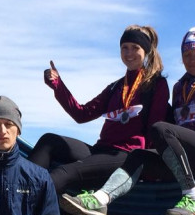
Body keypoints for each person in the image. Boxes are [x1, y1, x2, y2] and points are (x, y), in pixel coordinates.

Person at [60, 26, 195, 215]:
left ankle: (193, 199)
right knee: (138, 155)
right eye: (187, 55)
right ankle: (100, 200)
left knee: (159, 129)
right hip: (185, 158)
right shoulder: (180, 87)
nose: (192, 59)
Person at [27, 25, 169, 198]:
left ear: (145, 51)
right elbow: (81, 114)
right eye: (124, 47)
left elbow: (156, 128)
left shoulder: (156, 84)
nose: (129, 53)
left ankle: (23, 206)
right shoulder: (115, 87)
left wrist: (148, 171)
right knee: (49, 141)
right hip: (100, 151)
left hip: (126, 156)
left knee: (64, 173)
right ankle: (19, 192)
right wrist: (58, 85)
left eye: (135, 48)